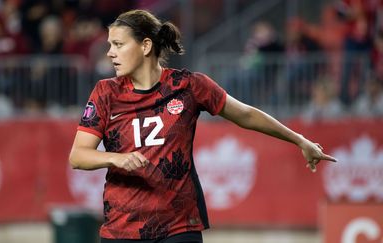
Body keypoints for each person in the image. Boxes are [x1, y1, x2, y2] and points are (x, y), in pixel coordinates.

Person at [69, 9, 337, 243]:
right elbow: (78, 156)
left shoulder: (189, 86)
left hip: (178, 226)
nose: (110, 53)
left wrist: (300, 139)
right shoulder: (105, 93)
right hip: (121, 228)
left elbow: (246, 114)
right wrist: (116, 158)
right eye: (110, 44)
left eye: (118, 44)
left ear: (145, 46)